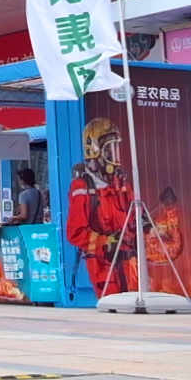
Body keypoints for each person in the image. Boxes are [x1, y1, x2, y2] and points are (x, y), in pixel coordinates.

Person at [67, 117, 136, 295]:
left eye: (116, 149)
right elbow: (75, 233)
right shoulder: (83, 188)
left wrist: (147, 227)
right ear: (95, 152)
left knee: (137, 304)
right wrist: (105, 242)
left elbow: (134, 216)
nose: (114, 157)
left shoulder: (120, 183)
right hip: (104, 265)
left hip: (130, 263)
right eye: (109, 151)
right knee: (114, 305)